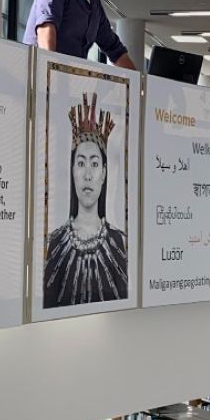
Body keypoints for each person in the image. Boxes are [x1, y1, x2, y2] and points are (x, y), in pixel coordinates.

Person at [44, 92, 128, 307]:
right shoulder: (52, 244)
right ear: (72, 170)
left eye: (94, 163)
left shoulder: (122, 243)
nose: (88, 175)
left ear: (104, 172)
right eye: (81, 163)